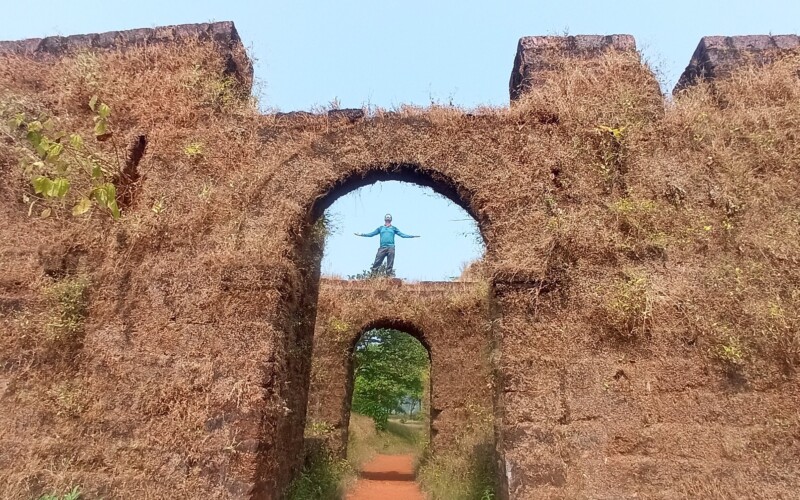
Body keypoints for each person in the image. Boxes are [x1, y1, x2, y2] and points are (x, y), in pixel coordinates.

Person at [355, 214, 420, 274]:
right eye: (387, 219)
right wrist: (361, 234)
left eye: (389, 219)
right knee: (377, 262)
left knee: (390, 263)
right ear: (385, 220)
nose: (388, 221)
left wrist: (412, 236)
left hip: (391, 247)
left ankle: (388, 277)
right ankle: (373, 277)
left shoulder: (394, 228)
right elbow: (371, 234)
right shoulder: (380, 228)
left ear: (391, 220)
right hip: (382, 247)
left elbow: (402, 235)